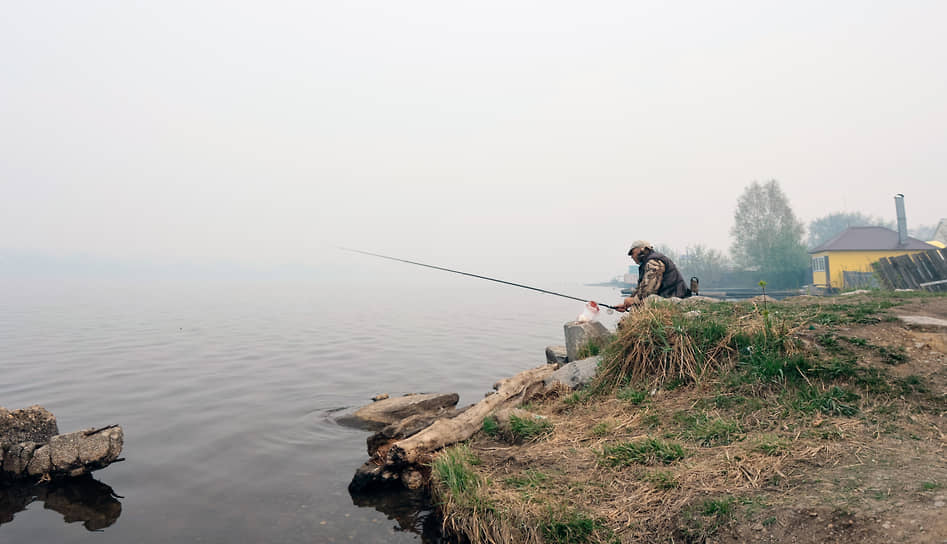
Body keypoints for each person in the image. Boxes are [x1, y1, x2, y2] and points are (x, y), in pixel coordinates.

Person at [615, 240, 690, 311]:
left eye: (632, 253)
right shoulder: (647, 263)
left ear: (641, 249)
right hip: (668, 298)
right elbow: (642, 288)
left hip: (675, 299)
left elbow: (650, 289)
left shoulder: (653, 262)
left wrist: (633, 301)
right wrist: (626, 304)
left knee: (648, 300)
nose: (631, 256)